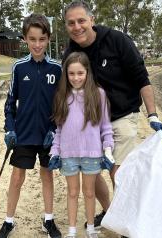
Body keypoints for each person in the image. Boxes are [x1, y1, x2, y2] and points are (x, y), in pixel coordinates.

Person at [62, 1, 162, 235]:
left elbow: (143, 79)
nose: (77, 27)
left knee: (117, 172)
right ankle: (111, 212)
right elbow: (66, 92)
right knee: (92, 171)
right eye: (71, 23)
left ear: (92, 19)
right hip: (91, 122)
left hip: (123, 116)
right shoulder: (70, 52)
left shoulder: (117, 40)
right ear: (66, 26)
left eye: (81, 21)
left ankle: (126, 221)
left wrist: (152, 115)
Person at [0, 13, 62, 238]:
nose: (37, 44)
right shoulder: (18, 67)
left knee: (47, 176)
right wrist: (10, 128)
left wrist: (54, 130)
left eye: (42, 39)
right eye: (32, 39)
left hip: (46, 135)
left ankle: (49, 220)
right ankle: (8, 221)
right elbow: (9, 104)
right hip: (23, 133)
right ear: (25, 39)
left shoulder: (57, 69)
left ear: (48, 39)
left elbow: (61, 106)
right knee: (16, 178)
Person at [50, 51, 114, 238]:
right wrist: (55, 151)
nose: (76, 78)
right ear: (66, 74)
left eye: (80, 73)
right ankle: (71, 231)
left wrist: (107, 149)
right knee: (72, 193)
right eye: (71, 74)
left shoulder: (99, 94)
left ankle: (91, 228)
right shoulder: (61, 96)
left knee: (88, 192)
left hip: (92, 154)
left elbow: (106, 126)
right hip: (68, 154)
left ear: (87, 73)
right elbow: (59, 130)